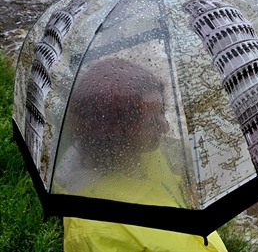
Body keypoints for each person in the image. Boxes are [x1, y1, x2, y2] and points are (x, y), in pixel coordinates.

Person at [58, 57, 227, 252]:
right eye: (151, 122)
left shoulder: (145, 153)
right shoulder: (94, 231)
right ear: (115, 132)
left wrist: (186, 191)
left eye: (162, 112)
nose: (165, 126)